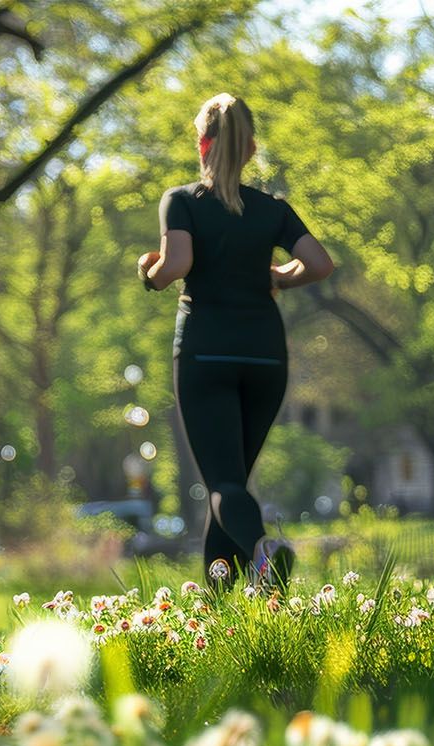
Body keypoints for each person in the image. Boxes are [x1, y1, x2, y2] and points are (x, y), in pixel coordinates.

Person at [138, 92, 334, 588]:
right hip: (265, 355)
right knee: (231, 484)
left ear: (203, 145)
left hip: (206, 352)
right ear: (250, 149)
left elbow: (176, 266)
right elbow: (319, 264)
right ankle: (222, 606)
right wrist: (280, 277)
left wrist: (149, 273)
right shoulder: (273, 209)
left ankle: (263, 550)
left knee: (223, 483)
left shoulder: (181, 202)